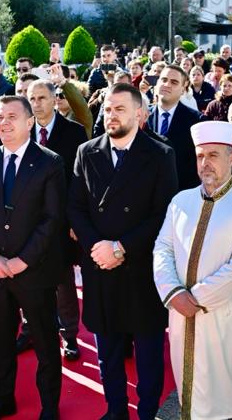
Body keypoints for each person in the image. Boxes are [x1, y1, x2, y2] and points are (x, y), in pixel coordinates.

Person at [69, 83, 179, 420]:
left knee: (147, 355)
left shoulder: (160, 154)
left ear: (139, 114)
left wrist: (121, 247)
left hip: (140, 269)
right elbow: (76, 208)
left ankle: (147, 413)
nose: (111, 115)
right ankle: (115, 410)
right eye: (107, 108)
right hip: (100, 267)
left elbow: (163, 213)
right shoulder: (87, 151)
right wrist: (97, 248)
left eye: (119, 109)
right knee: (108, 352)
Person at [153, 121, 232, 419]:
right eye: (200, 155)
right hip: (180, 314)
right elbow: (162, 248)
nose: (205, 163)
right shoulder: (181, 201)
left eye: (214, 155)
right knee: (191, 398)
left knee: (231, 397)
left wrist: (196, 298)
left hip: (224, 318)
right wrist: (173, 292)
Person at [0, 96, 65, 420]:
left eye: (12, 117)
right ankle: (3, 399)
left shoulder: (50, 163)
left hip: (34, 271)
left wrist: (23, 260)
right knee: (2, 340)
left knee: (45, 342)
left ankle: (49, 406)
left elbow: (52, 219)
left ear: (29, 122)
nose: (4, 123)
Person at [15, 80, 88, 361]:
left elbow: (80, 180)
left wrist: (75, 221)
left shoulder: (74, 132)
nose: (36, 103)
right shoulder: (21, 131)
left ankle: (69, 334)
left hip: (61, 221)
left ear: (55, 99)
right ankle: (30, 329)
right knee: (26, 278)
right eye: (32, 98)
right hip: (27, 220)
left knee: (63, 281)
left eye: (42, 98)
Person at [148, 65, 203, 191]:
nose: (167, 85)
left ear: (183, 90)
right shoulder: (140, 117)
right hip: (145, 192)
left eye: (174, 82)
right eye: (164, 80)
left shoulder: (196, 121)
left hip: (180, 191)